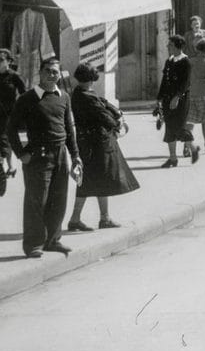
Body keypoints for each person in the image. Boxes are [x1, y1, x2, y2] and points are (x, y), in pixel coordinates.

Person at [5, 56, 83, 258]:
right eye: (47, 70)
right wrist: (21, 154)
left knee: (59, 200)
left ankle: (52, 240)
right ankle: (33, 245)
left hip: (60, 155)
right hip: (37, 157)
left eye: (55, 71)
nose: (51, 74)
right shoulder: (27, 98)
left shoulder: (64, 96)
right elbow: (11, 128)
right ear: (40, 73)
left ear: (59, 75)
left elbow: (68, 129)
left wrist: (75, 156)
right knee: (37, 202)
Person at [67, 64, 138, 232]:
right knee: (91, 180)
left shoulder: (79, 93)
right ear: (92, 79)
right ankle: (81, 219)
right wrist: (118, 123)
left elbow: (104, 104)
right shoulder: (87, 96)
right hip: (96, 143)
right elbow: (102, 114)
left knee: (96, 179)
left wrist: (115, 112)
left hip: (89, 142)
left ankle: (96, 218)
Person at [155, 35, 193, 168]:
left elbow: (186, 83)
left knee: (179, 127)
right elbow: (165, 81)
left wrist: (177, 97)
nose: (167, 47)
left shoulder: (186, 62)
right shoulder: (169, 61)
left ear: (178, 46)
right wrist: (159, 98)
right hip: (167, 99)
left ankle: (192, 147)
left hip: (181, 100)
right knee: (169, 127)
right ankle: (173, 158)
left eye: (170, 45)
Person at [0, 49, 27, 180]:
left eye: (1, 60)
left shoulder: (14, 76)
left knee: (6, 139)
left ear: (8, 61)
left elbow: (24, 94)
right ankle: (8, 166)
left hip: (9, 114)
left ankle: (9, 165)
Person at [186, 39, 205, 154]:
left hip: (191, 93)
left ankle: (187, 147)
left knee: (190, 121)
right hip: (204, 94)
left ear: (197, 49)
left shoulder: (189, 61)